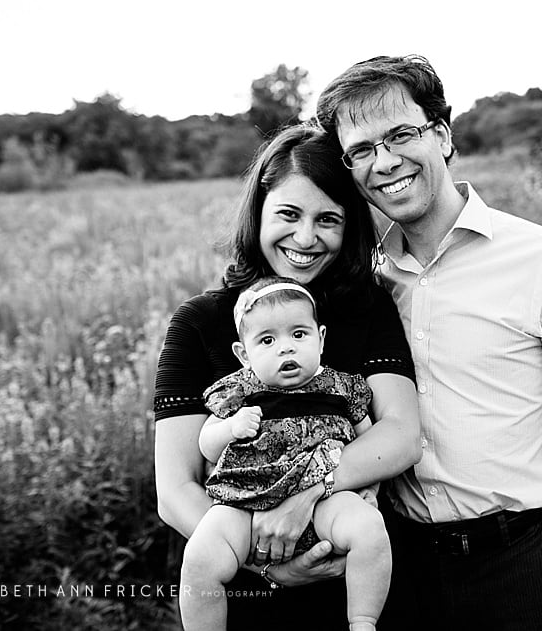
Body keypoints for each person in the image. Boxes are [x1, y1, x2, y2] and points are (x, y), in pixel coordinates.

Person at [315, 55, 542, 631]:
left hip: (517, 561)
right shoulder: (364, 282)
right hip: (396, 564)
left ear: (442, 136)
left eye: (400, 134)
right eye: (362, 150)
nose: (385, 162)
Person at [153, 124, 421, 630]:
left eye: (328, 220)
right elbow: (175, 490)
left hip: (360, 576)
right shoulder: (200, 323)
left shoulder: (367, 309)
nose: (305, 238)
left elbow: (401, 437)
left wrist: (304, 494)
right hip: (250, 594)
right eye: (288, 214)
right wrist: (268, 562)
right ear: (259, 211)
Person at [183, 275, 391, 630]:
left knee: (370, 530)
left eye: (299, 334)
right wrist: (231, 428)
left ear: (321, 338)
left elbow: (372, 444)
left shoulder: (340, 387)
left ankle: (362, 621)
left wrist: (371, 491)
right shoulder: (239, 392)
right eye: (267, 340)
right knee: (200, 559)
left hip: (326, 498)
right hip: (245, 502)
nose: (286, 348)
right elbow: (206, 444)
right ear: (243, 354)